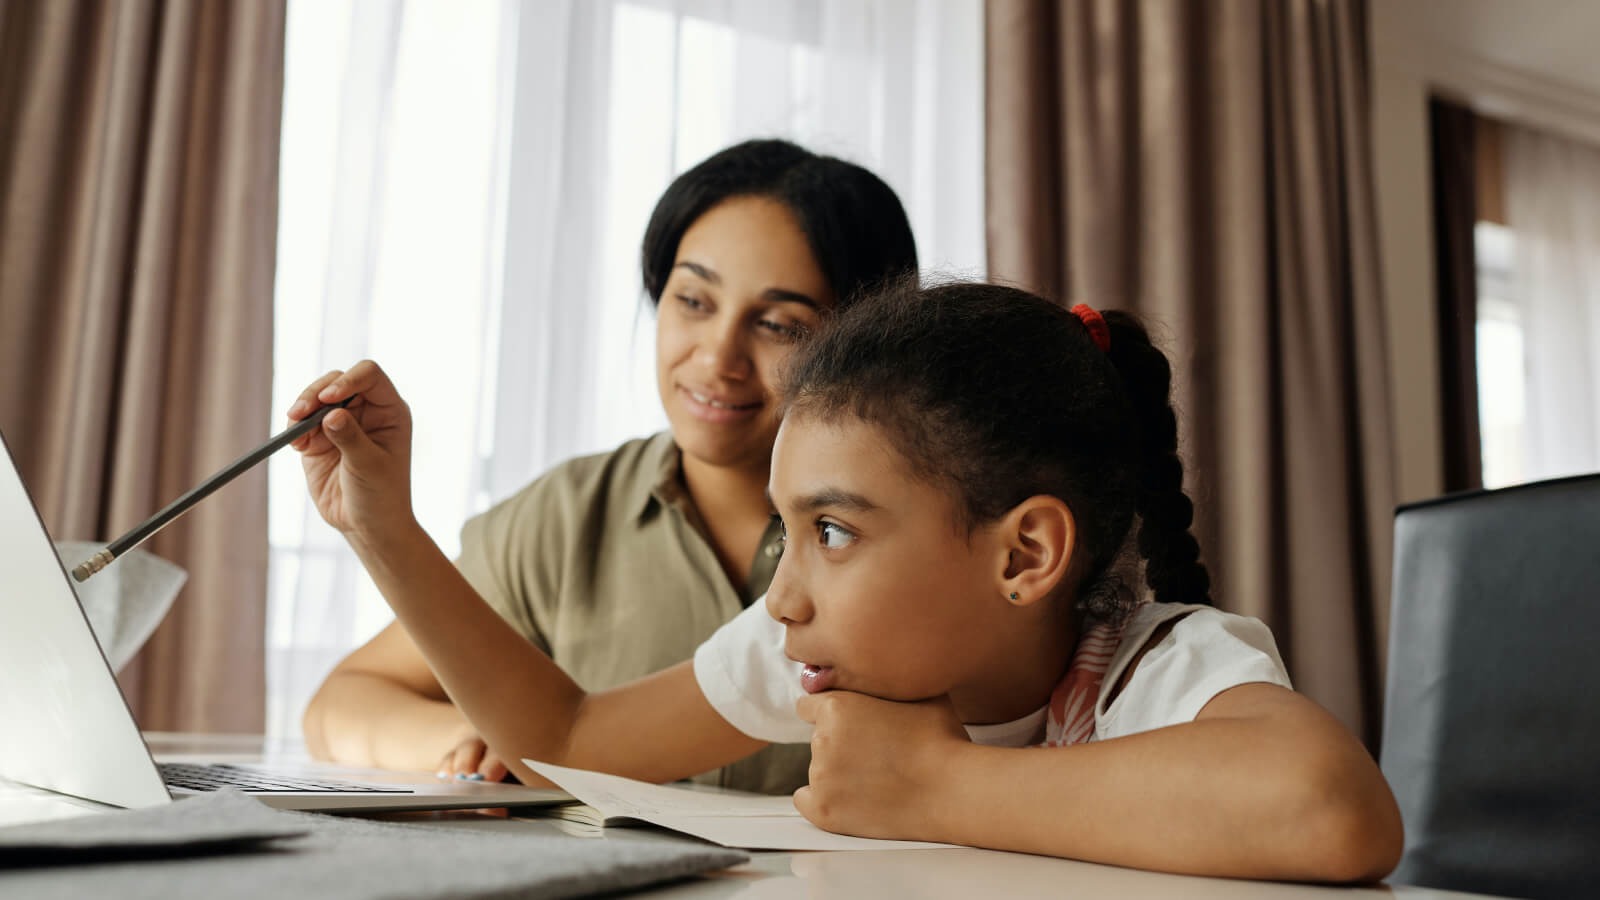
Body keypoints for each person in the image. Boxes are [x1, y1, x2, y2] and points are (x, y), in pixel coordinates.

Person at [289, 280, 1403, 881]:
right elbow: (571, 735)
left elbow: (1330, 810)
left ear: (1024, 555)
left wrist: (935, 788)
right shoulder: (813, 652)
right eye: (787, 531)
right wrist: (382, 527)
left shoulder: (1159, 664)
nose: (781, 596)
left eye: (832, 530)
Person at [297, 139, 918, 794]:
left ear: (866, 344)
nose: (717, 359)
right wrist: (473, 740)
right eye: (694, 302)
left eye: (778, 324)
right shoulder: (566, 517)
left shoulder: (909, 542)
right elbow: (344, 704)